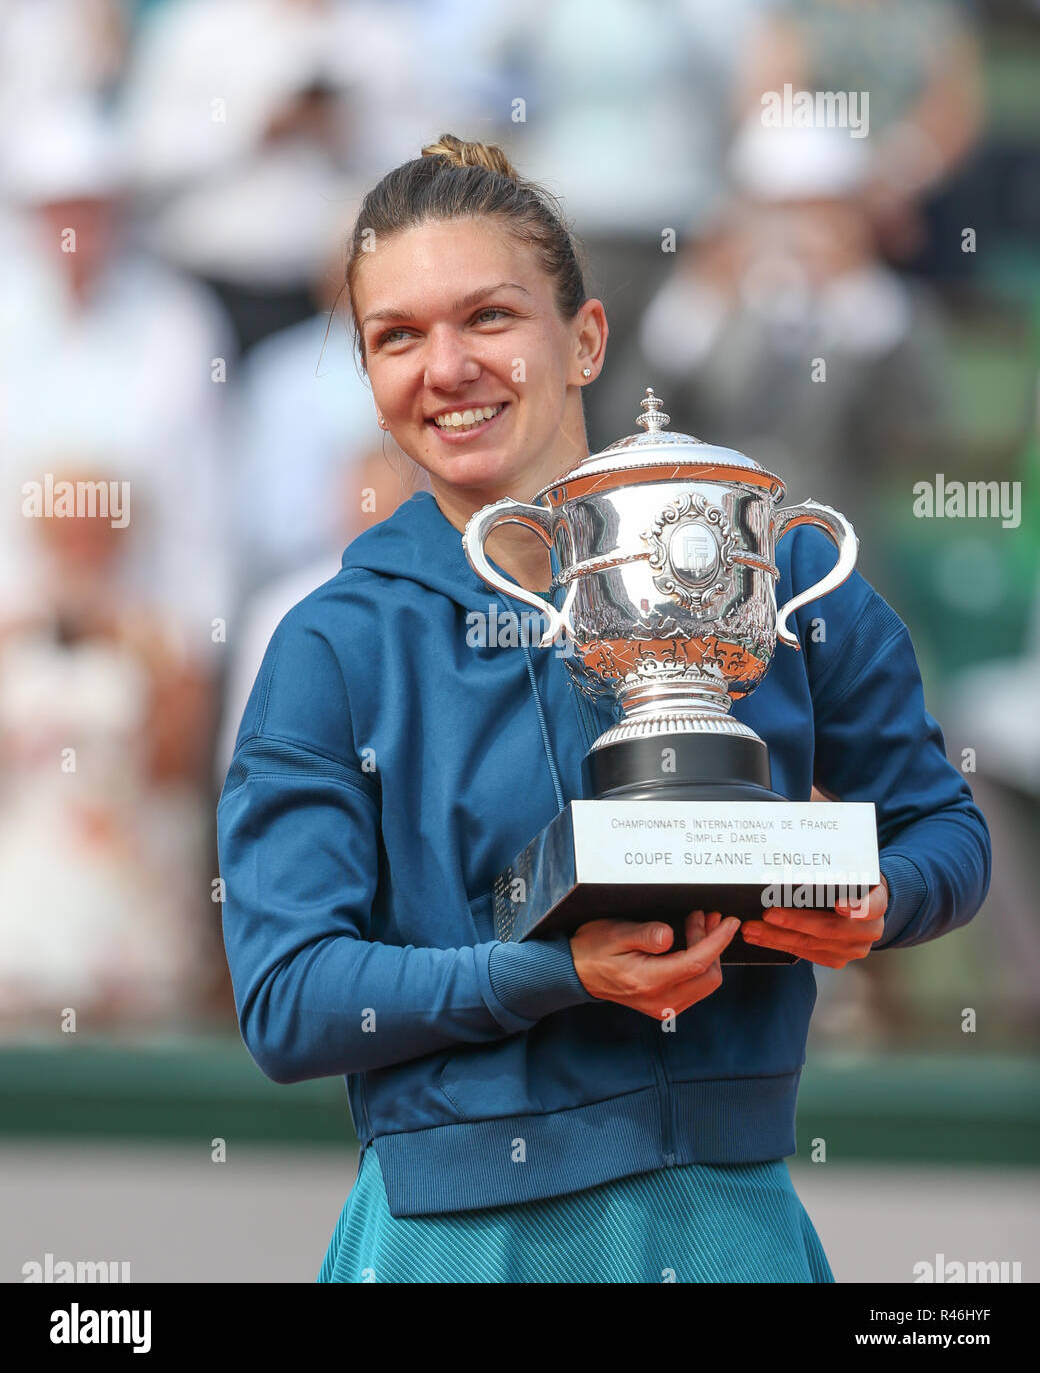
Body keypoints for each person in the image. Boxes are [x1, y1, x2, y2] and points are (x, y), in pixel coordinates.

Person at [217, 134, 991, 1284]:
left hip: (728, 1226)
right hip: (457, 1245)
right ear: (370, 378)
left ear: (582, 339)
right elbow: (288, 998)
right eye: (397, 336)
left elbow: (944, 835)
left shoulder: (752, 569)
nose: (446, 367)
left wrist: (880, 900)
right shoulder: (334, 642)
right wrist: (558, 972)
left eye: (488, 317)